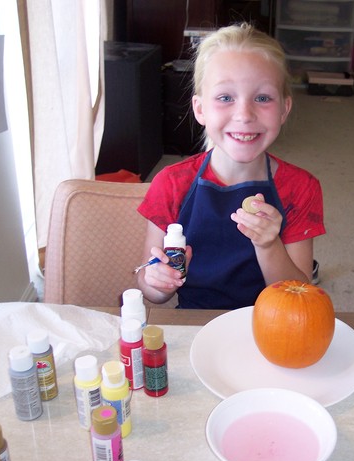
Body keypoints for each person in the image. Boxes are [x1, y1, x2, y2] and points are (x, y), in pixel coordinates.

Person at [136, 23, 325, 309]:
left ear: (284, 109)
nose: (244, 115)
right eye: (225, 97)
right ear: (200, 109)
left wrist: (268, 245)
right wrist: (158, 280)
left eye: (262, 98)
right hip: (196, 325)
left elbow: (298, 298)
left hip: (271, 326)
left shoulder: (301, 188)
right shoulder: (171, 183)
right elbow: (152, 292)